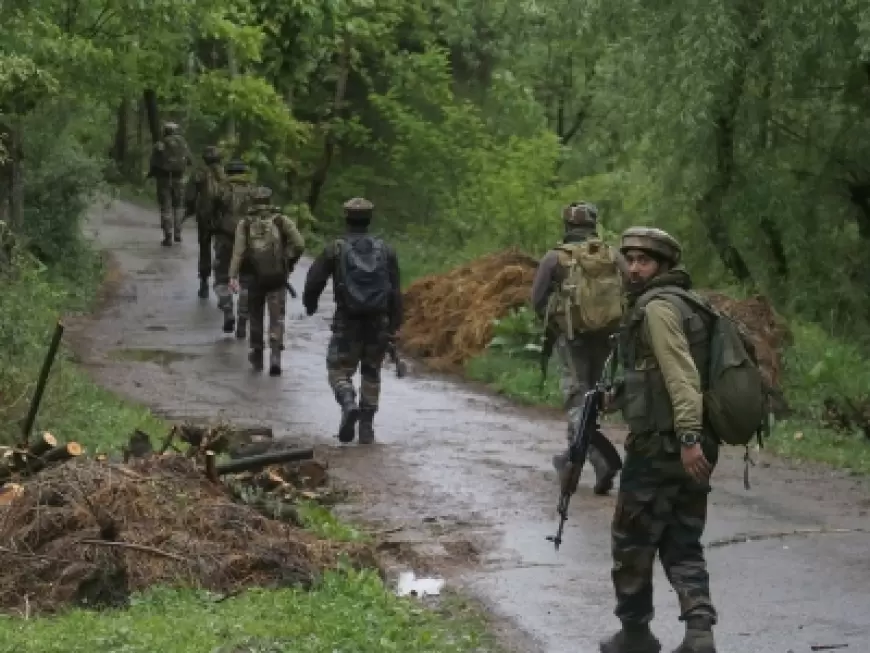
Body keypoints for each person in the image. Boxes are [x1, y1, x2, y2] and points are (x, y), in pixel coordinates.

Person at [598, 226, 719, 653]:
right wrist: (621, 394)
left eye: (644, 261)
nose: (634, 267)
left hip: (664, 448)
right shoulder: (688, 303)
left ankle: (635, 635)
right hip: (693, 444)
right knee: (682, 540)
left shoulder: (657, 309)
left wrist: (687, 438)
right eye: (629, 259)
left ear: (664, 267)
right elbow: (657, 376)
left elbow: (681, 377)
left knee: (631, 541)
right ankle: (700, 634)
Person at [530, 201, 624, 495]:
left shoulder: (554, 258)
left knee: (576, 399)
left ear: (567, 225)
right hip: (607, 337)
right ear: (594, 225)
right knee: (592, 398)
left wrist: (559, 324)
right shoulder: (611, 255)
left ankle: (600, 458)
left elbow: (537, 300)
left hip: (572, 338)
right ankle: (573, 463)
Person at [302, 198, 402, 444]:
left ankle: (348, 402)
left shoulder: (335, 248)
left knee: (337, 368)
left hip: (347, 320)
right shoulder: (385, 250)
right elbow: (396, 290)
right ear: (369, 219)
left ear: (346, 218)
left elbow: (314, 279)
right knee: (372, 371)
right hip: (378, 321)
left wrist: (310, 303)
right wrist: (394, 324)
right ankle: (366, 427)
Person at [228, 186, 305, 376]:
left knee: (255, 315)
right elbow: (300, 244)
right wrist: (287, 262)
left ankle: (257, 353)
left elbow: (238, 252)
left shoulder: (245, 224)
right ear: (269, 201)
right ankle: (276, 355)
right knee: (276, 316)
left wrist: (232, 276)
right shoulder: (281, 221)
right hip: (277, 277)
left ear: (252, 202)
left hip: (253, 277)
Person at [213, 159, 256, 336]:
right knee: (246, 280)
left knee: (222, 279)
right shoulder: (254, 191)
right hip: (249, 241)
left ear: (228, 173)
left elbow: (210, 211)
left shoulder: (221, 190)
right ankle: (242, 321)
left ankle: (228, 311)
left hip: (225, 238)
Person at [184, 146, 225, 299]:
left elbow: (189, 196)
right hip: (223, 217)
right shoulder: (226, 173)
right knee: (223, 249)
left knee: (205, 249)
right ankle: (222, 283)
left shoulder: (199, 173)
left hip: (205, 216)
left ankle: (204, 284)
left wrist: (190, 209)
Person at [147, 121, 191, 246]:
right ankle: (178, 233)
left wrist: (152, 174)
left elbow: (154, 163)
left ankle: (168, 236)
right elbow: (190, 161)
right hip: (179, 179)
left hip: (164, 180)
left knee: (166, 207)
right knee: (179, 207)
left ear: (164, 131)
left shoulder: (160, 144)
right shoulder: (183, 143)